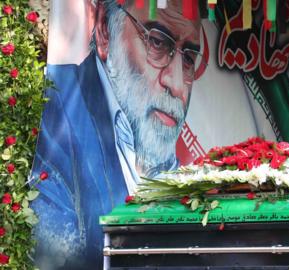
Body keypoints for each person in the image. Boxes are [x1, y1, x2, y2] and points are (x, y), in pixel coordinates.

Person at [30, 0, 203, 268]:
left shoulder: (174, 166)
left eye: (189, 58)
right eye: (157, 42)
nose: (177, 85)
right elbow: (55, 249)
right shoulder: (62, 120)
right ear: (104, 30)